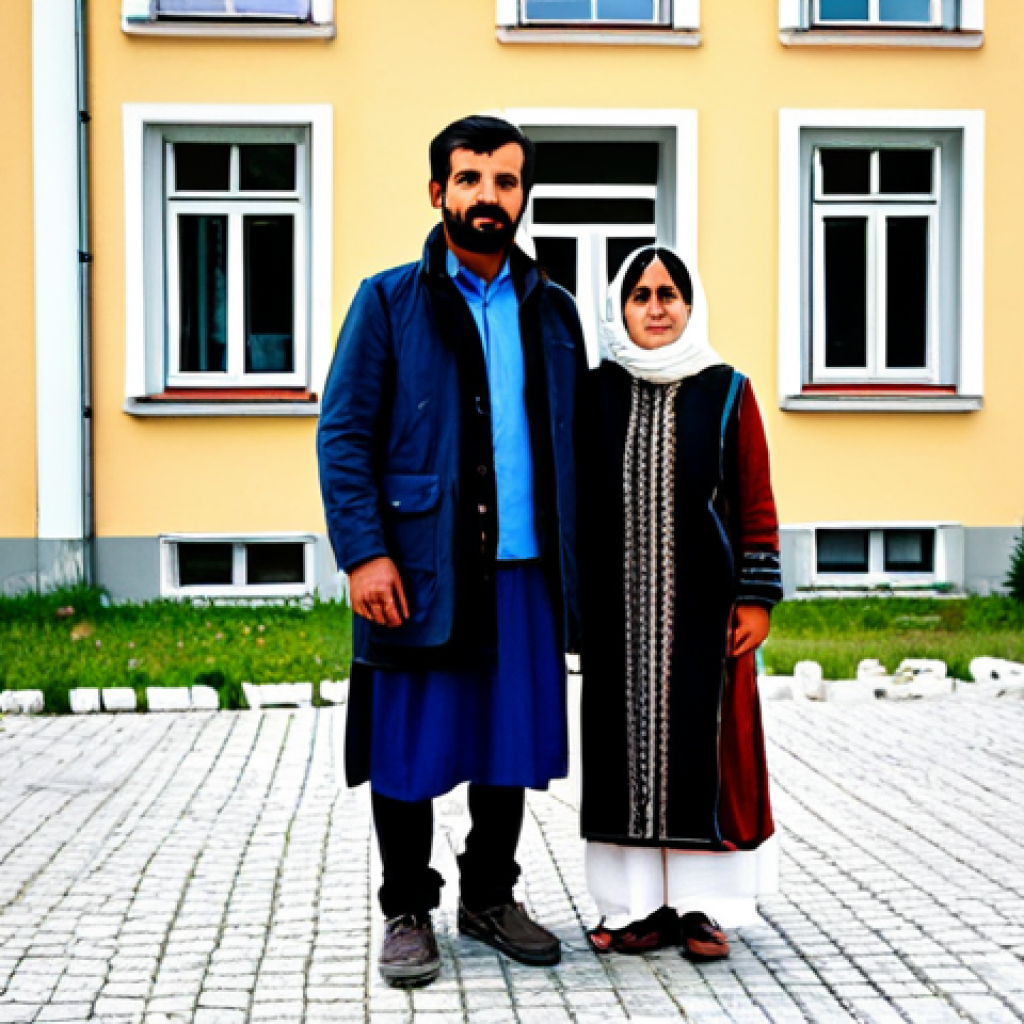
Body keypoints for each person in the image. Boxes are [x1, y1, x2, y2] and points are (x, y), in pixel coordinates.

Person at [317, 115, 585, 987]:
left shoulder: (554, 310)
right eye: (470, 180)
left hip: (523, 570)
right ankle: (406, 909)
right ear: (438, 193)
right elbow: (344, 433)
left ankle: (489, 897)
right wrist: (364, 554)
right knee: (408, 748)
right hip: (419, 570)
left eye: (505, 182)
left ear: (522, 198)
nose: (487, 198)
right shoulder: (387, 301)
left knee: (506, 743)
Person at [577, 245, 783, 961]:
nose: (656, 307)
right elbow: (571, 507)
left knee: (705, 750)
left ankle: (700, 909)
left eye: (669, 293)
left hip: (707, 614)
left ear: (690, 306)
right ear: (619, 307)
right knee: (620, 753)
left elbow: (754, 499)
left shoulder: (728, 390)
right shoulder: (594, 393)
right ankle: (633, 908)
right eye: (640, 294)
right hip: (616, 616)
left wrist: (756, 598)